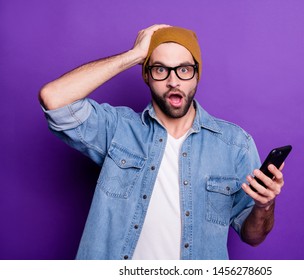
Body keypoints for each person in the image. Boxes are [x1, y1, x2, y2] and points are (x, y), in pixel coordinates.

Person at [39, 24, 286, 260]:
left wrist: (265, 205)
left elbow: (253, 236)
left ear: (197, 74)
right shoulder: (118, 129)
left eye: (184, 69)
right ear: (146, 75)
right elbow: (54, 98)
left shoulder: (235, 145)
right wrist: (134, 55)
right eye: (160, 69)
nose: (173, 81)